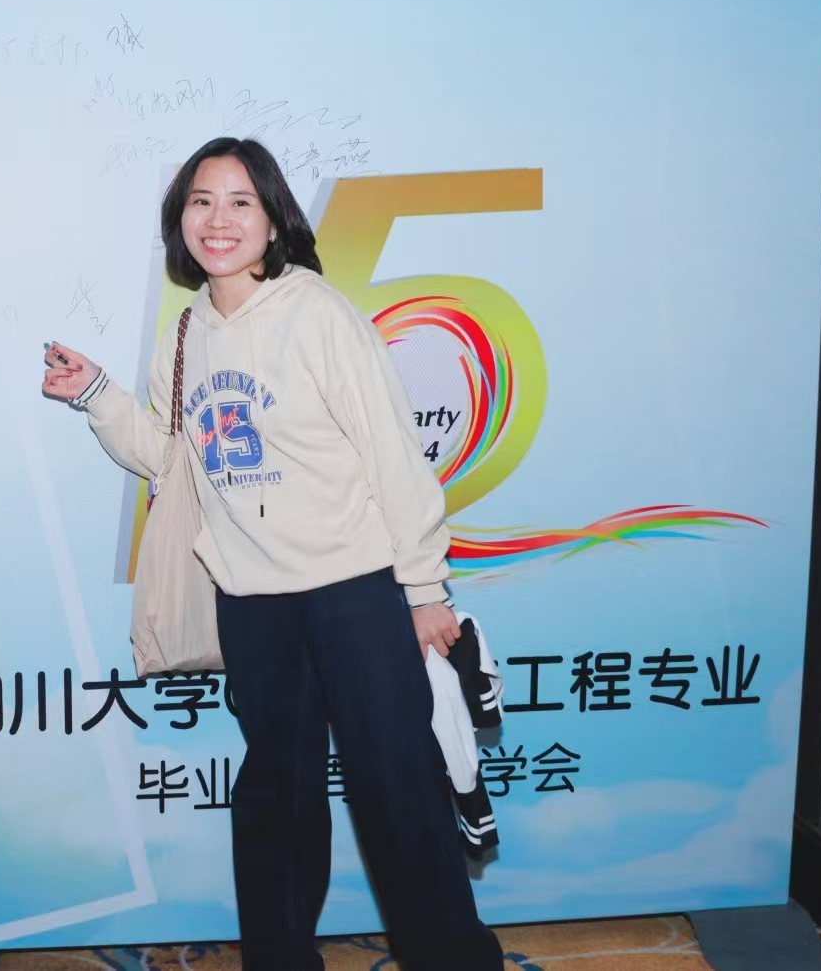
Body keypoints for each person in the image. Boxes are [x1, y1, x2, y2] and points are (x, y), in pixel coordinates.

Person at [41, 136, 505, 970]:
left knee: (397, 793)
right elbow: (172, 459)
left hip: (353, 593)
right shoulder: (185, 333)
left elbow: (393, 453)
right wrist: (98, 395)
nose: (217, 220)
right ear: (180, 219)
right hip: (252, 603)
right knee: (275, 805)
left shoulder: (316, 312)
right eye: (201, 202)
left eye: (239, 202)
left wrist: (425, 589)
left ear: (272, 218)